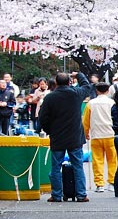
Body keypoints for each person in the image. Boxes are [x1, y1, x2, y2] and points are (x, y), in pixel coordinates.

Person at [38, 72, 92, 203]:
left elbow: (42, 117)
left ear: (56, 83)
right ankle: (81, 194)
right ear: (69, 82)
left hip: (57, 136)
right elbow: (87, 86)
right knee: (78, 165)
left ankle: (56, 194)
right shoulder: (76, 94)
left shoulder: (50, 97)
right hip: (74, 136)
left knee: (56, 166)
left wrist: (49, 130)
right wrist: (79, 74)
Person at [83, 82, 117, 193]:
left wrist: (86, 132)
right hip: (110, 134)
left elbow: (86, 120)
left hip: (96, 135)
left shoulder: (90, 104)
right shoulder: (112, 103)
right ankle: (111, 182)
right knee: (112, 160)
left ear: (97, 91)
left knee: (97, 160)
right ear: (108, 91)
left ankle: (99, 184)